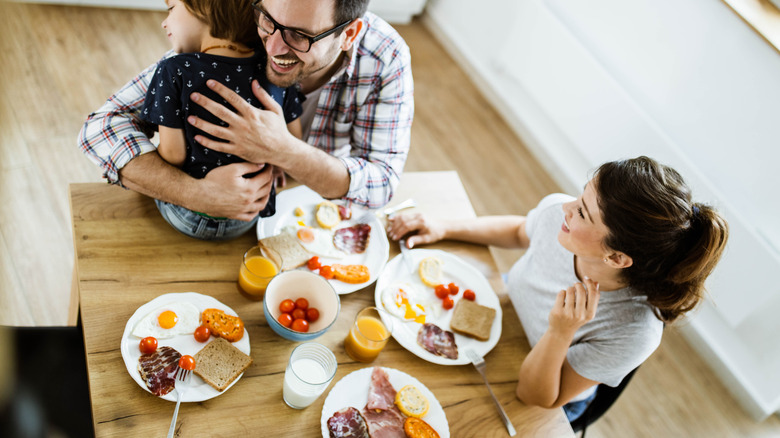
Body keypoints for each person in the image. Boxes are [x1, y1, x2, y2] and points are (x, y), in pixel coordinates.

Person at [386, 156, 729, 422]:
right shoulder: (559, 215)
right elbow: (521, 231)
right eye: (580, 196)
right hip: (503, 320)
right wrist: (442, 226)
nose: (565, 207)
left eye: (582, 211)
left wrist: (561, 331)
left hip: (544, 387)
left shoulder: (634, 332)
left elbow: (537, 397)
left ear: (617, 257)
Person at [78, 0, 413, 224]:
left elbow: (382, 182)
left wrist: (286, 151)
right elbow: (101, 129)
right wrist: (197, 194)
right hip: (204, 208)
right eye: (269, 21)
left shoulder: (384, 57)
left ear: (349, 34)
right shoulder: (242, 21)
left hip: (303, 215)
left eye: (300, 36)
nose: (273, 47)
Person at [140, 0, 304, 240]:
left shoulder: (173, 69)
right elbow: (293, 142)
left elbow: (173, 157)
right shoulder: (275, 67)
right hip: (249, 215)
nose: (165, 22)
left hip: (188, 216)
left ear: (205, 7)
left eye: (171, 9)